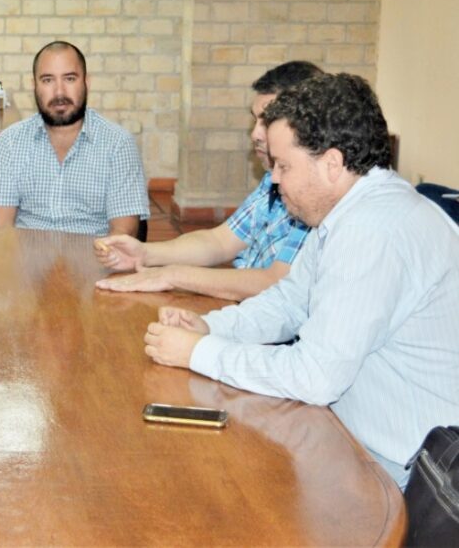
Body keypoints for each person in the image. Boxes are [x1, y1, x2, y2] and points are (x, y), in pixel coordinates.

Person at [142, 73, 459, 488]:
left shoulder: (373, 230)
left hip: (405, 478)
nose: (274, 180)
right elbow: (290, 301)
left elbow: (314, 376)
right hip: (355, 441)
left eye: (284, 166)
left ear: (332, 164)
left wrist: (200, 353)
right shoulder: (351, 212)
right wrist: (211, 327)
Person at [94, 61, 322, 301]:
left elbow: (276, 283)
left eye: (267, 122)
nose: (255, 134)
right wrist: (144, 253)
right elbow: (219, 241)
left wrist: (172, 275)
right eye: (255, 120)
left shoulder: (314, 196)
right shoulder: (271, 181)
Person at [0, 40, 149, 237]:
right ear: (34, 86)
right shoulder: (10, 142)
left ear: (86, 82)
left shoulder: (118, 143)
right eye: (47, 80)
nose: (59, 92)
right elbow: (0, 230)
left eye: (69, 79)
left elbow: (122, 234)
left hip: (94, 254)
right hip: (27, 254)